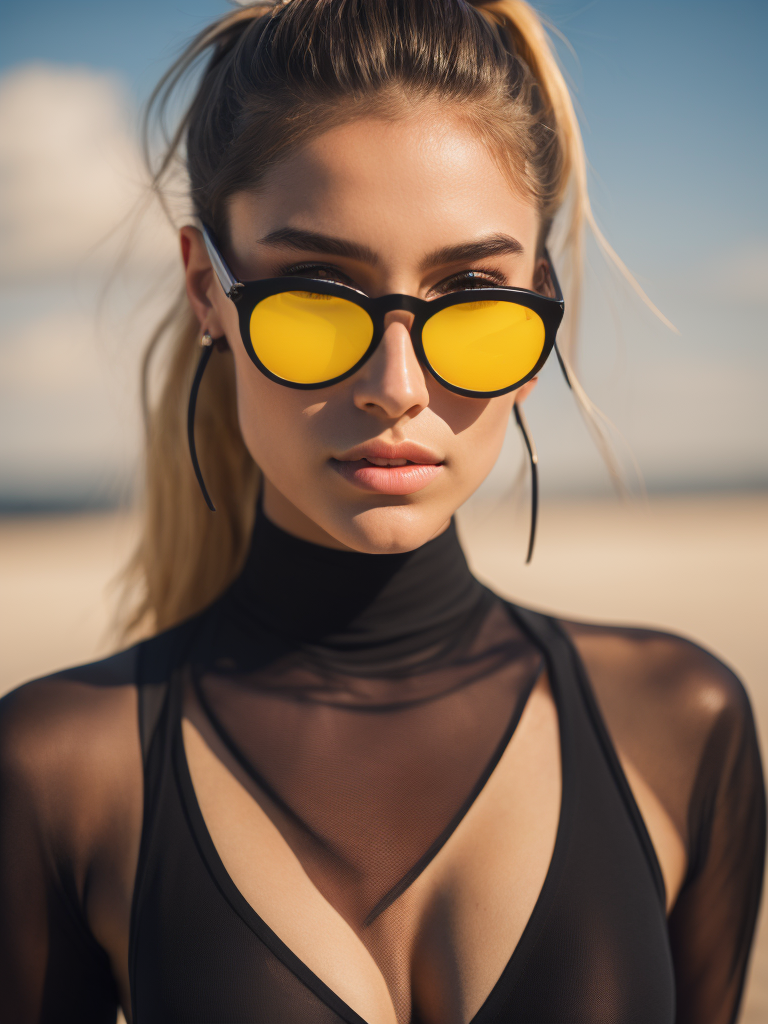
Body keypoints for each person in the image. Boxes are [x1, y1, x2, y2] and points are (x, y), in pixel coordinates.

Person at [0, 2, 764, 1022]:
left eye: (470, 294)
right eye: (318, 292)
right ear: (205, 292)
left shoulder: (681, 724)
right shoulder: (59, 770)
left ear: (541, 302)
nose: (396, 384)